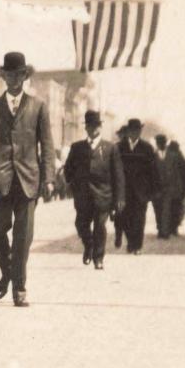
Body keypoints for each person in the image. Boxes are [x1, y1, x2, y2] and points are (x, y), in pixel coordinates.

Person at [0, 51, 51, 308]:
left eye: (18, 75)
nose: (14, 79)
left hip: (27, 180)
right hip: (0, 179)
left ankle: (19, 288)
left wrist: (48, 178)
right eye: (9, 74)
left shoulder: (38, 107)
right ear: (3, 76)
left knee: (23, 237)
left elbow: (46, 144)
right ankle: (8, 272)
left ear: (25, 77)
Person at [65, 111, 124, 268]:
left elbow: (118, 176)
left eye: (96, 126)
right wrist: (73, 186)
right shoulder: (77, 148)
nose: (93, 129)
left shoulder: (110, 148)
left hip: (103, 195)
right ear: (86, 128)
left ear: (100, 127)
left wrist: (119, 198)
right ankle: (89, 245)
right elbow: (68, 170)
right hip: (83, 196)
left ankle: (98, 258)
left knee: (100, 225)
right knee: (81, 225)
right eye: (90, 126)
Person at [115, 119, 159, 253]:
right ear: (128, 132)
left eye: (138, 130)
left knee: (139, 219)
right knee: (126, 218)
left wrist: (154, 190)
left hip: (141, 192)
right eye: (133, 130)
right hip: (124, 191)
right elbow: (113, 169)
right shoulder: (119, 147)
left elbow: (153, 171)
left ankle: (137, 246)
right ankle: (130, 241)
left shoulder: (147, 148)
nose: (136, 133)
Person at [160, 140, 185, 237]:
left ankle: (167, 229)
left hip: (167, 188)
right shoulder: (181, 157)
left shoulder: (166, 157)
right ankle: (174, 229)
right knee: (176, 209)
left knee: (167, 210)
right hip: (178, 190)